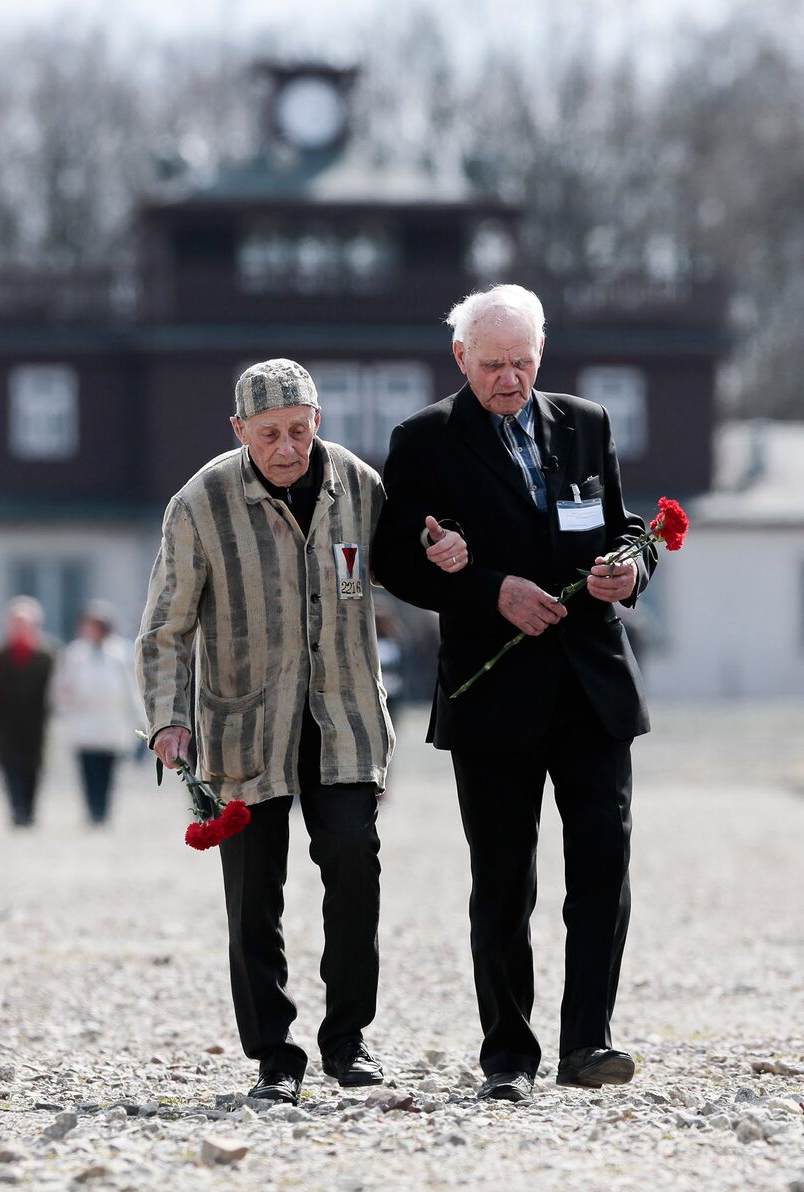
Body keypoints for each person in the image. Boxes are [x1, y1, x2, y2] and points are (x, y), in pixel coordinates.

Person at [135, 358, 466, 1106]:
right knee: (255, 897)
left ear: (318, 420)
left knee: (355, 865)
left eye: (298, 429)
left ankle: (348, 1041)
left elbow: (401, 568)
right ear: (239, 432)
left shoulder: (357, 483)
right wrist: (168, 719)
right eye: (269, 435)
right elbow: (163, 629)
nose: (287, 448)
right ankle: (274, 1057)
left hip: (343, 721)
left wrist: (440, 556)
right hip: (244, 729)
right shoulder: (200, 504)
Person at [372, 285, 657, 1102]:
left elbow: (626, 529)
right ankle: (508, 1054)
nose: (509, 379)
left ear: (542, 354)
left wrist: (628, 570)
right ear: (461, 358)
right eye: (493, 365)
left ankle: (588, 1041)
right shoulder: (425, 439)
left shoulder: (587, 424)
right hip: (492, 690)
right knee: (504, 879)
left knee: (602, 866)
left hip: (593, 686)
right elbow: (399, 556)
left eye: (523, 363)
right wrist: (486, 586)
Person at [53, 601, 141, 824]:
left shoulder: (120, 652)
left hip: (111, 723)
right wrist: (66, 702)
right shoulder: (75, 653)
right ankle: (92, 811)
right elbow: (61, 685)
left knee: (108, 771)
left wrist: (138, 719)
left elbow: (131, 687)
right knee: (88, 770)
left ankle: (103, 811)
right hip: (83, 722)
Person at [0, 596, 55, 827]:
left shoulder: (47, 655)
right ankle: (16, 810)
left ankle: (29, 811)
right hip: (5, 725)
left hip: (35, 724)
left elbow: (53, 691)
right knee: (9, 767)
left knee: (32, 768)